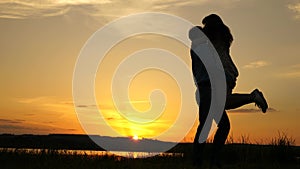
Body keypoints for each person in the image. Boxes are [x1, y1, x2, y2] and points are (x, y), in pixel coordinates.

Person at [189, 14, 268, 168]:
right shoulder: (216, 41)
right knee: (223, 125)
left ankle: (200, 162)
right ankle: (212, 160)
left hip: (209, 85)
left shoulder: (206, 42)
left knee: (206, 124)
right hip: (212, 83)